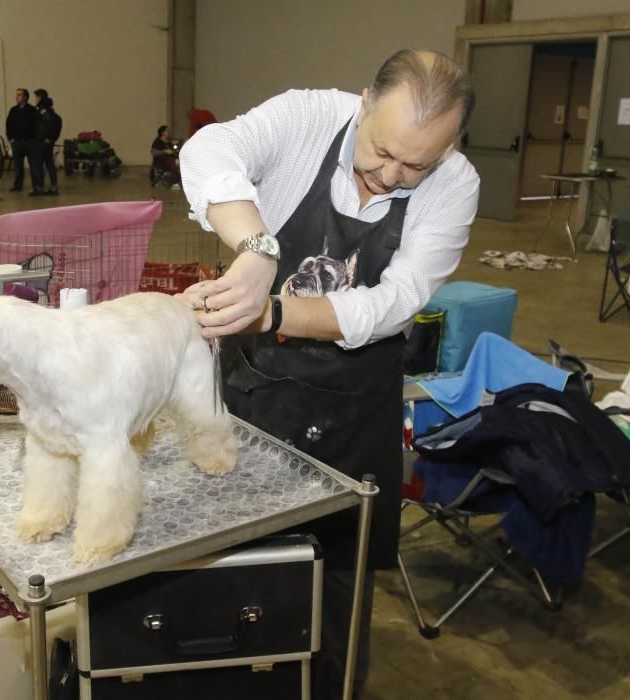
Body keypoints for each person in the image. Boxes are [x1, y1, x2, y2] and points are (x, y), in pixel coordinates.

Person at [178, 49, 478, 699]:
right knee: (238, 569)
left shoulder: (455, 185)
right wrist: (256, 249)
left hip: (355, 409)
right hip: (255, 395)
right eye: (381, 152)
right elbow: (208, 149)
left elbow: (394, 304)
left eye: (416, 165)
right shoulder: (306, 116)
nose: (391, 176)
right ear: (365, 103)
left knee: (338, 584)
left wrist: (273, 310)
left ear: (448, 146)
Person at [28, 88, 62, 196]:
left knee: (38, 164)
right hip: (46, 141)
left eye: (36, 97)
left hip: (42, 141)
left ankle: (39, 188)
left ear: (40, 98)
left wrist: (48, 137)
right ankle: (53, 187)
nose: (35, 99)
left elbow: (50, 122)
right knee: (49, 163)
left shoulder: (43, 110)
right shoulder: (49, 109)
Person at [5, 87, 37, 192]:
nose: (17, 97)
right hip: (17, 142)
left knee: (33, 165)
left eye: (19, 95)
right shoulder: (13, 110)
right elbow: (8, 125)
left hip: (30, 142)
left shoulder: (32, 110)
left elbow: (37, 126)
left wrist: (34, 139)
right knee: (18, 166)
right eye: (17, 95)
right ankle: (18, 185)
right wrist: (11, 139)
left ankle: (36, 186)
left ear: (25, 97)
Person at [151, 124, 182, 190]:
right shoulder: (157, 141)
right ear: (163, 132)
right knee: (174, 162)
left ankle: (179, 180)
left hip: (169, 160)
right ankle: (175, 183)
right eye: (167, 131)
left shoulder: (168, 141)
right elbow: (154, 152)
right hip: (161, 161)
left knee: (177, 162)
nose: (168, 132)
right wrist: (164, 151)